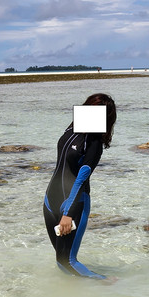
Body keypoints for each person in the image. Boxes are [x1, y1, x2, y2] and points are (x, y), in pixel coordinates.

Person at [43, 93, 116, 280]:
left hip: (73, 205)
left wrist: (67, 213)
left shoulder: (94, 144)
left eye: (97, 112)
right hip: (50, 202)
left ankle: (107, 283)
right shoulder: (71, 128)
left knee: (68, 261)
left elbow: (82, 178)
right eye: (90, 108)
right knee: (61, 262)